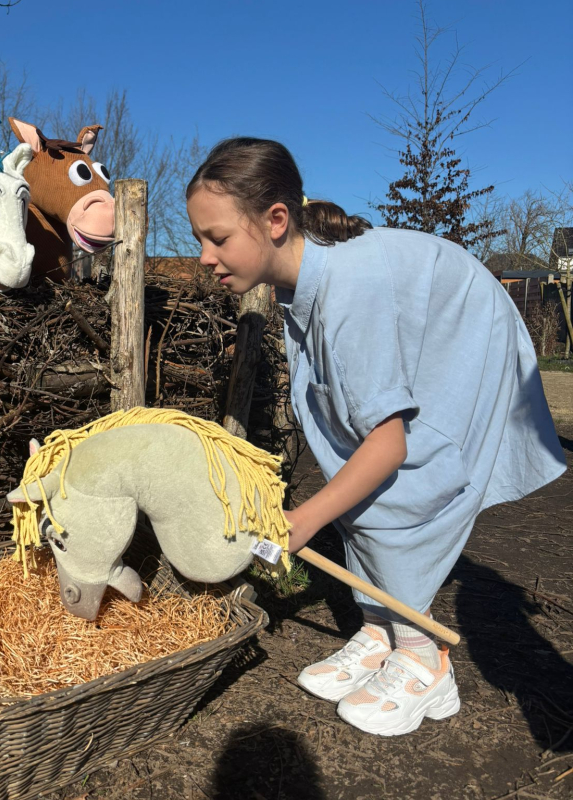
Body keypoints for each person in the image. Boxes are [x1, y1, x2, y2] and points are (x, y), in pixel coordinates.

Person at [186, 137, 566, 737]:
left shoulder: (349, 292)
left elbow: (389, 447)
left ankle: (424, 659)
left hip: (466, 336)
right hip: (423, 322)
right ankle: (380, 629)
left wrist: (302, 521)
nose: (205, 257)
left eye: (218, 238)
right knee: (346, 456)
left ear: (276, 220)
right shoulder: (301, 284)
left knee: (404, 483)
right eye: (199, 239)